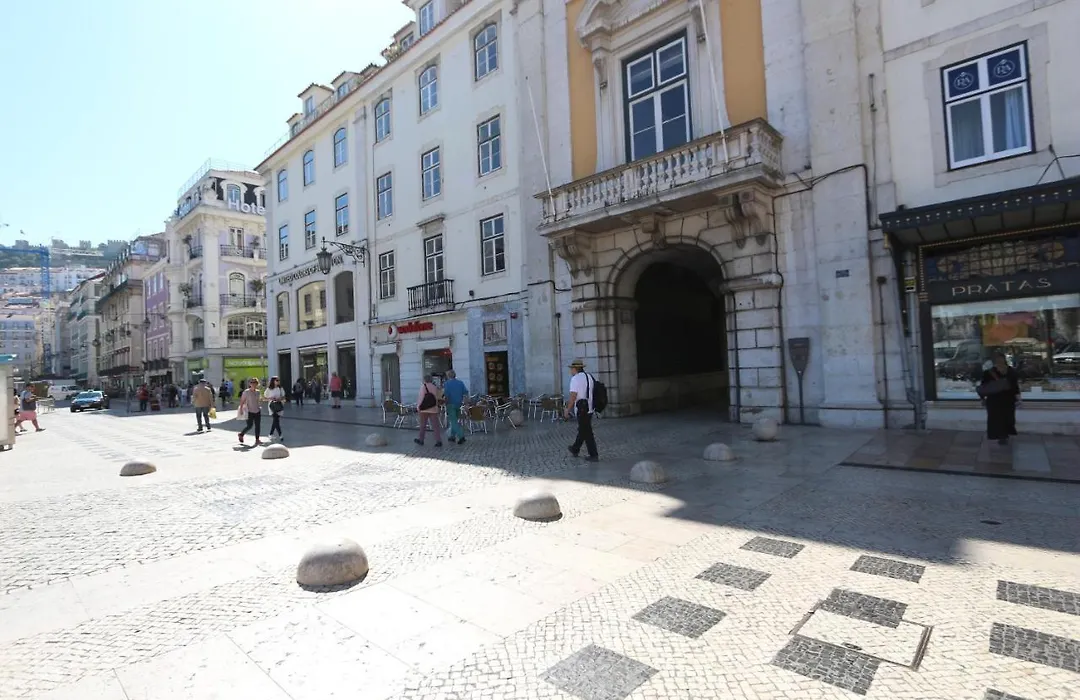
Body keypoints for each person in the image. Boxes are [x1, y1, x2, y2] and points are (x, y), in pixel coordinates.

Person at [979, 351, 1021, 446]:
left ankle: (1002, 436)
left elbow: (983, 387)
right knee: (1006, 418)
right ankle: (1004, 435)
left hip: (995, 399)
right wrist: (1018, 398)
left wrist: (982, 399)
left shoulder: (989, 372)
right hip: (1007, 399)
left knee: (997, 419)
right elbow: (1015, 387)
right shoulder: (1011, 371)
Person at [565, 360, 598, 462]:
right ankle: (575, 448)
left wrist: (567, 409)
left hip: (581, 409)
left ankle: (593, 454)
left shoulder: (575, 379)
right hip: (590, 408)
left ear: (575, 369)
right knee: (583, 429)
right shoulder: (589, 376)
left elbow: (573, 396)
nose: (570, 371)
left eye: (571, 369)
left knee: (587, 432)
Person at [414, 374, 443, 447]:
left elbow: (421, 398)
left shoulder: (423, 387)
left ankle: (421, 439)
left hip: (424, 409)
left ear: (424, 380)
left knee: (423, 425)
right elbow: (438, 398)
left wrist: (418, 407)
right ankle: (438, 440)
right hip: (433, 408)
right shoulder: (435, 387)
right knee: (435, 426)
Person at [442, 370, 468, 445]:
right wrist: (465, 402)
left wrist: (444, 403)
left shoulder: (447, 384)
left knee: (453, 421)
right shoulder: (460, 383)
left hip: (450, 404)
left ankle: (461, 436)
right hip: (458, 404)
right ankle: (452, 436)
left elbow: (446, 395)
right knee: (455, 420)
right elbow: (465, 393)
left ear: (448, 376)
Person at [237, 377, 263, 446]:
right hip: (249, 411)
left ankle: (257, 439)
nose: (253, 384)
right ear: (250, 384)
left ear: (257, 384)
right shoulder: (246, 392)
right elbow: (242, 401)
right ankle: (241, 434)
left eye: (255, 383)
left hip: (257, 411)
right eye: (252, 382)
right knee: (249, 425)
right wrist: (241, 409)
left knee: (258, 426)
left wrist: (260, 406)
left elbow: (259, 400)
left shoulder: (258, 392)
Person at [264, 376, 286, 442]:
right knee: (276, 420)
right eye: (277, 380)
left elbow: (283, 396)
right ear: (273, 381)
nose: (278, 381)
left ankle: (270, 434)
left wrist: (280, 398)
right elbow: (265, 397)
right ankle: (280, 435)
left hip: (279, 405)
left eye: (279, 380)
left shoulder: (280, 388)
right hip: (272, 406)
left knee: (275, 421)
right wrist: (271, 398)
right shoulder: (269, 389)